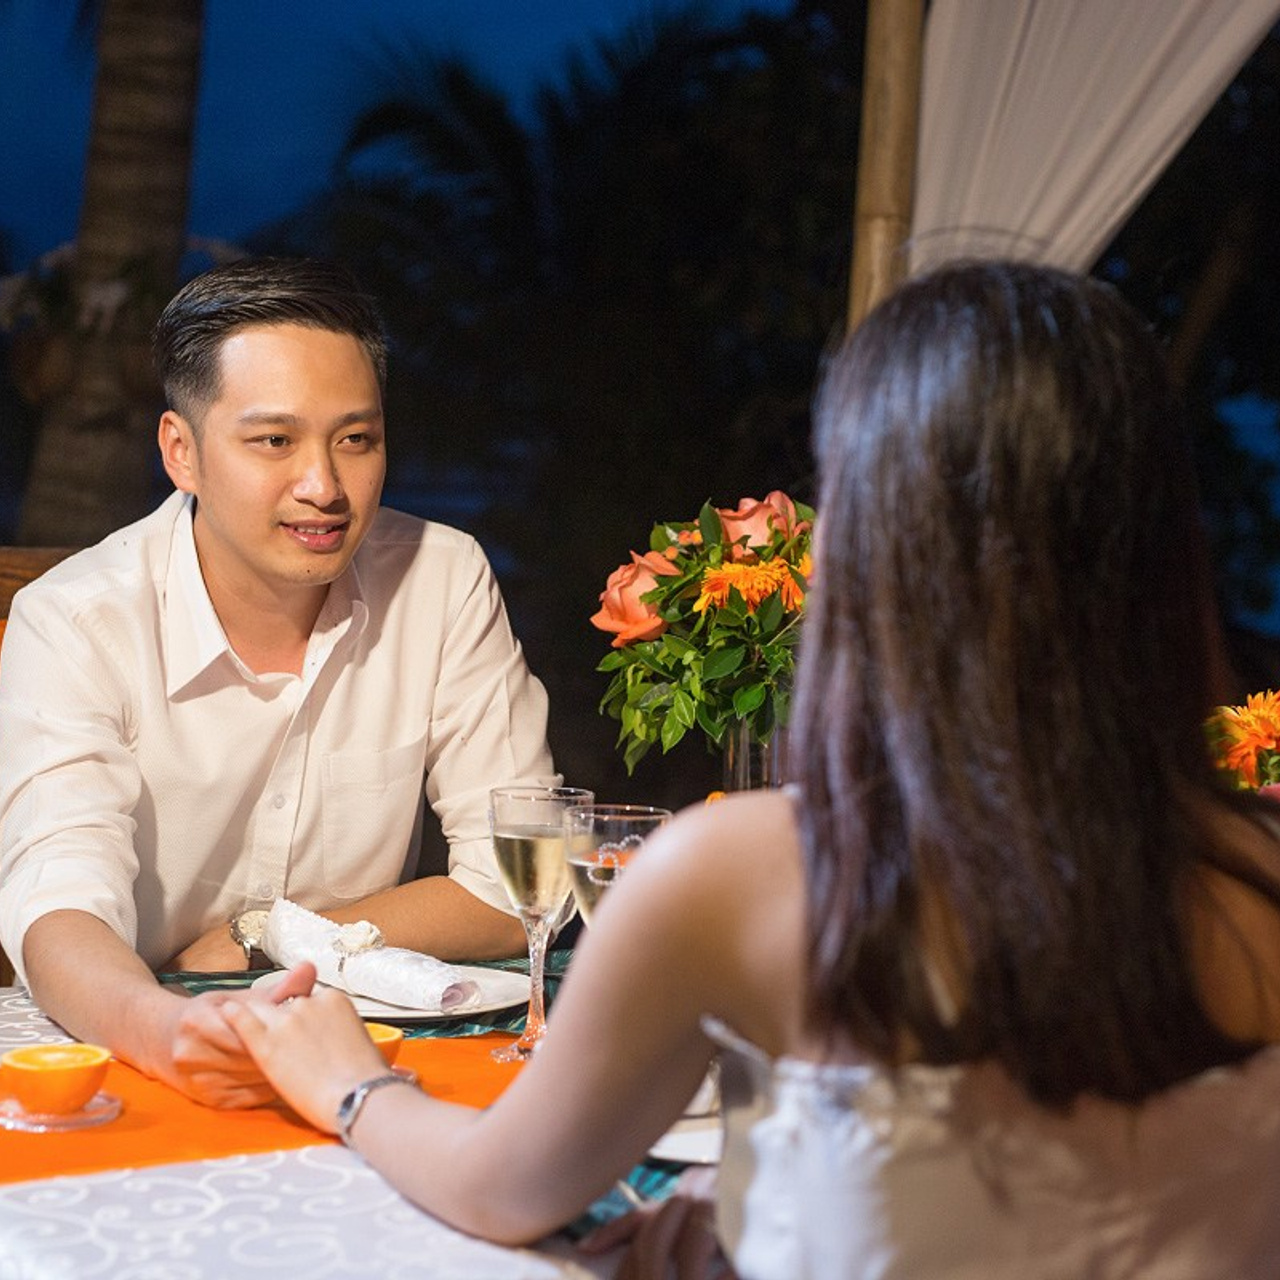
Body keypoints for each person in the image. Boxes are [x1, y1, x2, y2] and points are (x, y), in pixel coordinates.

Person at [226, 259, 1280, 1277]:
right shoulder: (1252, 869)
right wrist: (774, 1187)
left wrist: (352, 1085)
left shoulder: (749, 874)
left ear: (878, 540)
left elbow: (505, 1190)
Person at [0, 257, 556, 1108]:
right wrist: (170, 1032)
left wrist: (264, 936)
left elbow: (518, 886)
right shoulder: (74, 622)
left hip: (364, 1051)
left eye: (355, 439)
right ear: (180, 451)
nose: (323, 487)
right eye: (274, 440)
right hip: (137, 1047)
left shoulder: (442, 578)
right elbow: (58, 910)